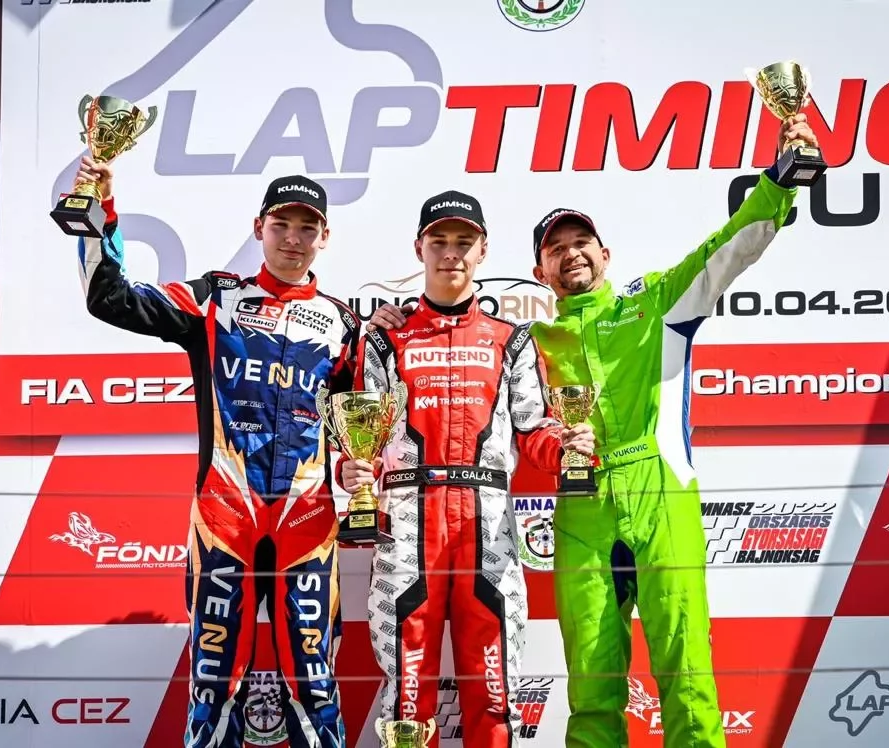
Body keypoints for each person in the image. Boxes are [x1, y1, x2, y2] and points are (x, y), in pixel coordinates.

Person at [367, 114, 819, 747]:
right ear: (539, 269)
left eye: (583, 242)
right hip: (580, 506)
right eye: (556, 248)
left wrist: (780, 182)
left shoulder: (657, 303)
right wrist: (383, 322)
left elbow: (728, 250)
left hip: (660, 492)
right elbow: (500, 396)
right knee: (591, 676)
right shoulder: (529, 339)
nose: (572, 253)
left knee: (686, 664)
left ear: (606, 255)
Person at [73, 158, 356, 748]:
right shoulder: (214, 298)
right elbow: (111, 299)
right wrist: (101, 213)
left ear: (325, 236)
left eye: (307, 227)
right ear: (259, 228)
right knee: (214, 681)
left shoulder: (343, 323)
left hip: (306, 520)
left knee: (315, 681)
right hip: (225, 516)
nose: (293, 238)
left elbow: (367, 424)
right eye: (281, 224)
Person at [340, 191, 595, 747]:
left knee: (495, 692)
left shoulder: (512, 339)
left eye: (464, 241)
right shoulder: (385, 338)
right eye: (439, 241)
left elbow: (533, 428)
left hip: (488, 526)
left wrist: (568, 447)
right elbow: (364, 436)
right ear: (420, 248)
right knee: (406, 699)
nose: (451, 253)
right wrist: (351, 473)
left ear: (483, 250)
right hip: (408, 525)